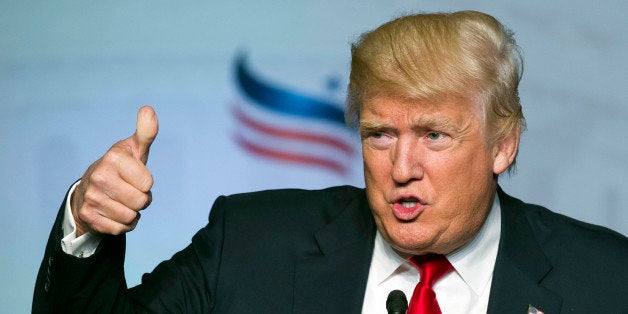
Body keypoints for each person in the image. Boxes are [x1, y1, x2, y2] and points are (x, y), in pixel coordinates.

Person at [33, 10, 627, 313]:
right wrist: (86, 224)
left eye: (435, 136)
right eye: (378, 135)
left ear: (503, 145)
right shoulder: (248, 245)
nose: (401, 167)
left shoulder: (605, 280)